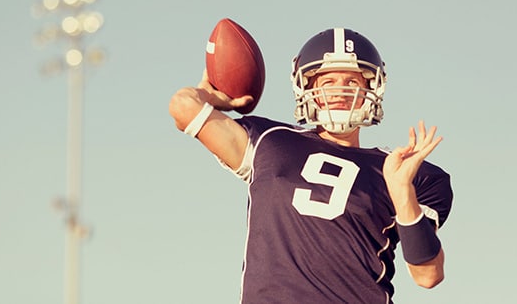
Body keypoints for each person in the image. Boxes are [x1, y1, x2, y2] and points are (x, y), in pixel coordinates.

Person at [168, 27, 453, 303]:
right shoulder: (269, 141)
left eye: (352, 82)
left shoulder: (405, 171)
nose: (340, 92)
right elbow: (183, 107)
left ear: (372, 87)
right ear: (307, 88)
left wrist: (402, 191)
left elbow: (427, 275)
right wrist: (213, 97)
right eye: (328, 82)